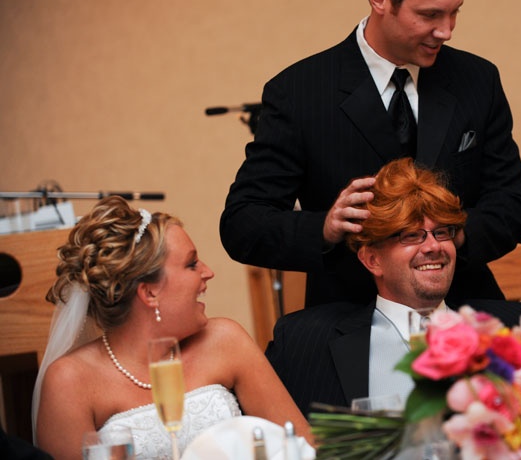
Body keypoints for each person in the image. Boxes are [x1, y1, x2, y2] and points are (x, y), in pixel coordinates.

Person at [220, 0, 521, 307]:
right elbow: (242, 224)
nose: (446, 31)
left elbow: (514, 205)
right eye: (430, 15)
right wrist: (325, 227)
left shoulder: (477, 80)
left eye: (454, 12)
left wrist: (450, 235)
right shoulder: (299, 93)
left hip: (466, 311)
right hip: (351, 319)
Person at [265, 158, 521, 417]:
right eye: (412, 235)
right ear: (372, 259)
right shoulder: (305, 342)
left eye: (442, 232)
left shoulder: (509, 323)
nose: (433, 246)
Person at [32, 196, 312, 460]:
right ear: (149, 292)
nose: (208, 272)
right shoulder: (69, 381)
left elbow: (305, 446)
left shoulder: (226, 340)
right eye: (191, 264)